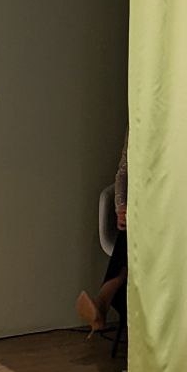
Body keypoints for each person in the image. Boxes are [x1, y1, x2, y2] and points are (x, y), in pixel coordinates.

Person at [76, 131, 128, 334]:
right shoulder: (137, 124)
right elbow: (123, 171)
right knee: (135, 233)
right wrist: (121, 207)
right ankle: (106, 297)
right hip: (139, 214)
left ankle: (105, 297)